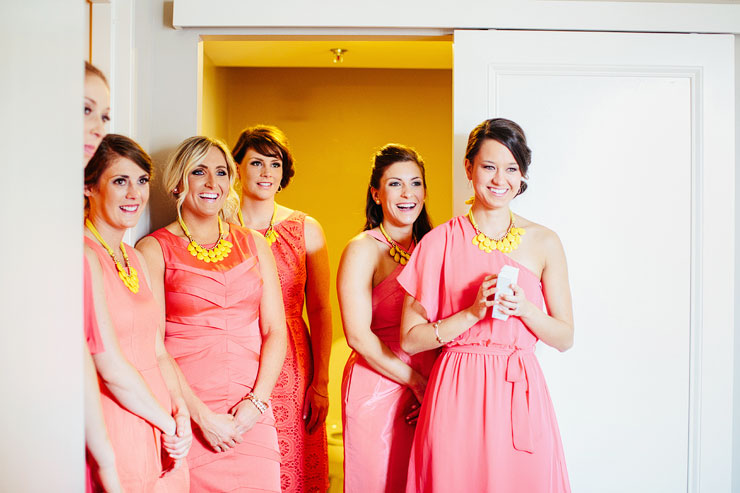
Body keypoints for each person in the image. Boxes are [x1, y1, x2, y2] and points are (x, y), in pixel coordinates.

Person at [399, 118, 573, 492]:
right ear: (469, 168)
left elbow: (564, 337)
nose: (500, 179)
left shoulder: (545, 241)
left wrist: (526, 309)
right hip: (457, 388)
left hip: (519, 390)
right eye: (489, 166)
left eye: (512, 168)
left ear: (523, 174)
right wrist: (471, 313)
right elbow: (410, 340)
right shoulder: (438, 242)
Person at [137, 136, 287, 492]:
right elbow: (152, 346)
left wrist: (256, 403)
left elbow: (276, 331)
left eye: (220, 172)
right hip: (188, 409)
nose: (211, 183)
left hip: (251, 409)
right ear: (178, 183)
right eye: (198, 172)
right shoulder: (154, 249)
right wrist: (201, 418)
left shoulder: (254, 243)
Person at [84, 133, 191, 491]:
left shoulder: (136, 257)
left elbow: (158, 349)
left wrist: (181, 412)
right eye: (120, 181)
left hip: (162, 420)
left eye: (142, 180)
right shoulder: (84, 256)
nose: (135, 194)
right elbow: (109, 368)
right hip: (118, 414)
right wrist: (166, 421)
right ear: (89, 187)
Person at [231, 125, 331, 492]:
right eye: (256, 162)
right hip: (237, 350)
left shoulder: (306, 229)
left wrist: (320, 383)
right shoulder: (220, 226)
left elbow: (320, 309)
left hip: (292, 359)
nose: (266, 172)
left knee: (291, 463)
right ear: (237, 167)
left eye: (274, 164)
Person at [337, 144, 438, 492]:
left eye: (415, 183)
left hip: (428, 387)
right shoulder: (363, 249)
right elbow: (357, 336)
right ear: (376, 194)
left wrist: (433, 387)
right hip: (377, 381)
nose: (407, 193)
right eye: (395, 184)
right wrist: (416, 382)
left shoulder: (434, 245)